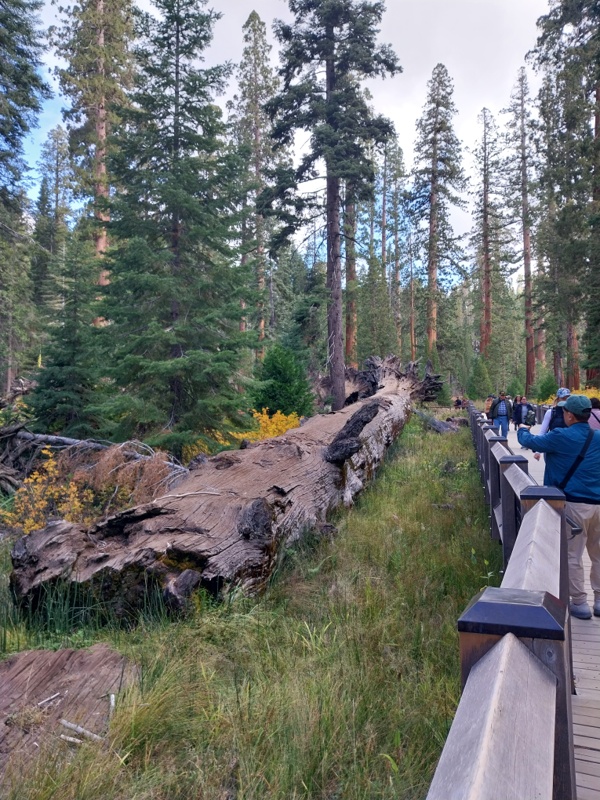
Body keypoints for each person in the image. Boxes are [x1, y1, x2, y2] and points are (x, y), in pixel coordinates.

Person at [517, 395, 600, 620]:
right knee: (598, 554)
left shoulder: (560, 436)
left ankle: (580, 603)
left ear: (570, 415)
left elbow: (531, 442)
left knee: (573, 554)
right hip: (598, 504)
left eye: (564, 412)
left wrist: (522, 429)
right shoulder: (598, 437)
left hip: (574, 504)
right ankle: (599, 600)